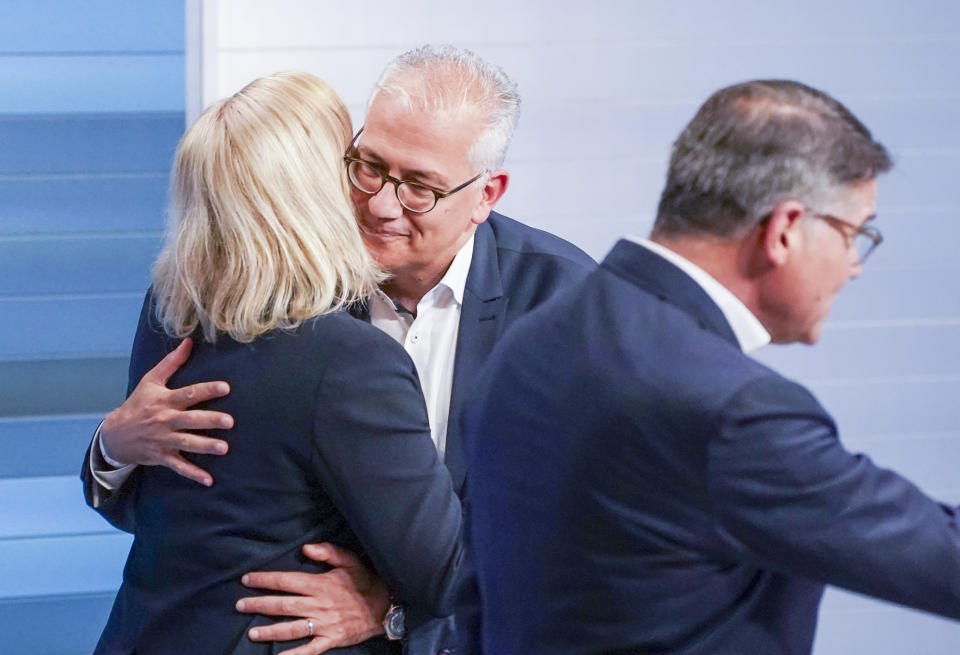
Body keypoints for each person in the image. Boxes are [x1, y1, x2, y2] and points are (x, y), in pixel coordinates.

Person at [82, 46, 595, 653]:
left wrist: (393, 609)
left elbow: (585, 536)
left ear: (487, 194)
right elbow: (175, 515)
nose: (379, 204)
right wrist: (113, 446)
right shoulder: (222, 293)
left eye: (419, 188)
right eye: (369, 166)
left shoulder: (568, 306)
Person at [461, 79, 960, 654]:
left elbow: (476, 602)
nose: (854, 266)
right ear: (785, 230)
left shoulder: (531, 342)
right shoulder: (734, 411)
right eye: (855, 234)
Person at [91, 71, 463, 655]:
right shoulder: (350, 360)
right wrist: (388, 609)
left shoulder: (172, 312)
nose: (371, 191)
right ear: (316, 191)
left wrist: (108, 448)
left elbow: (156, 512)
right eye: (355, 165)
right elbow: (448, 575)